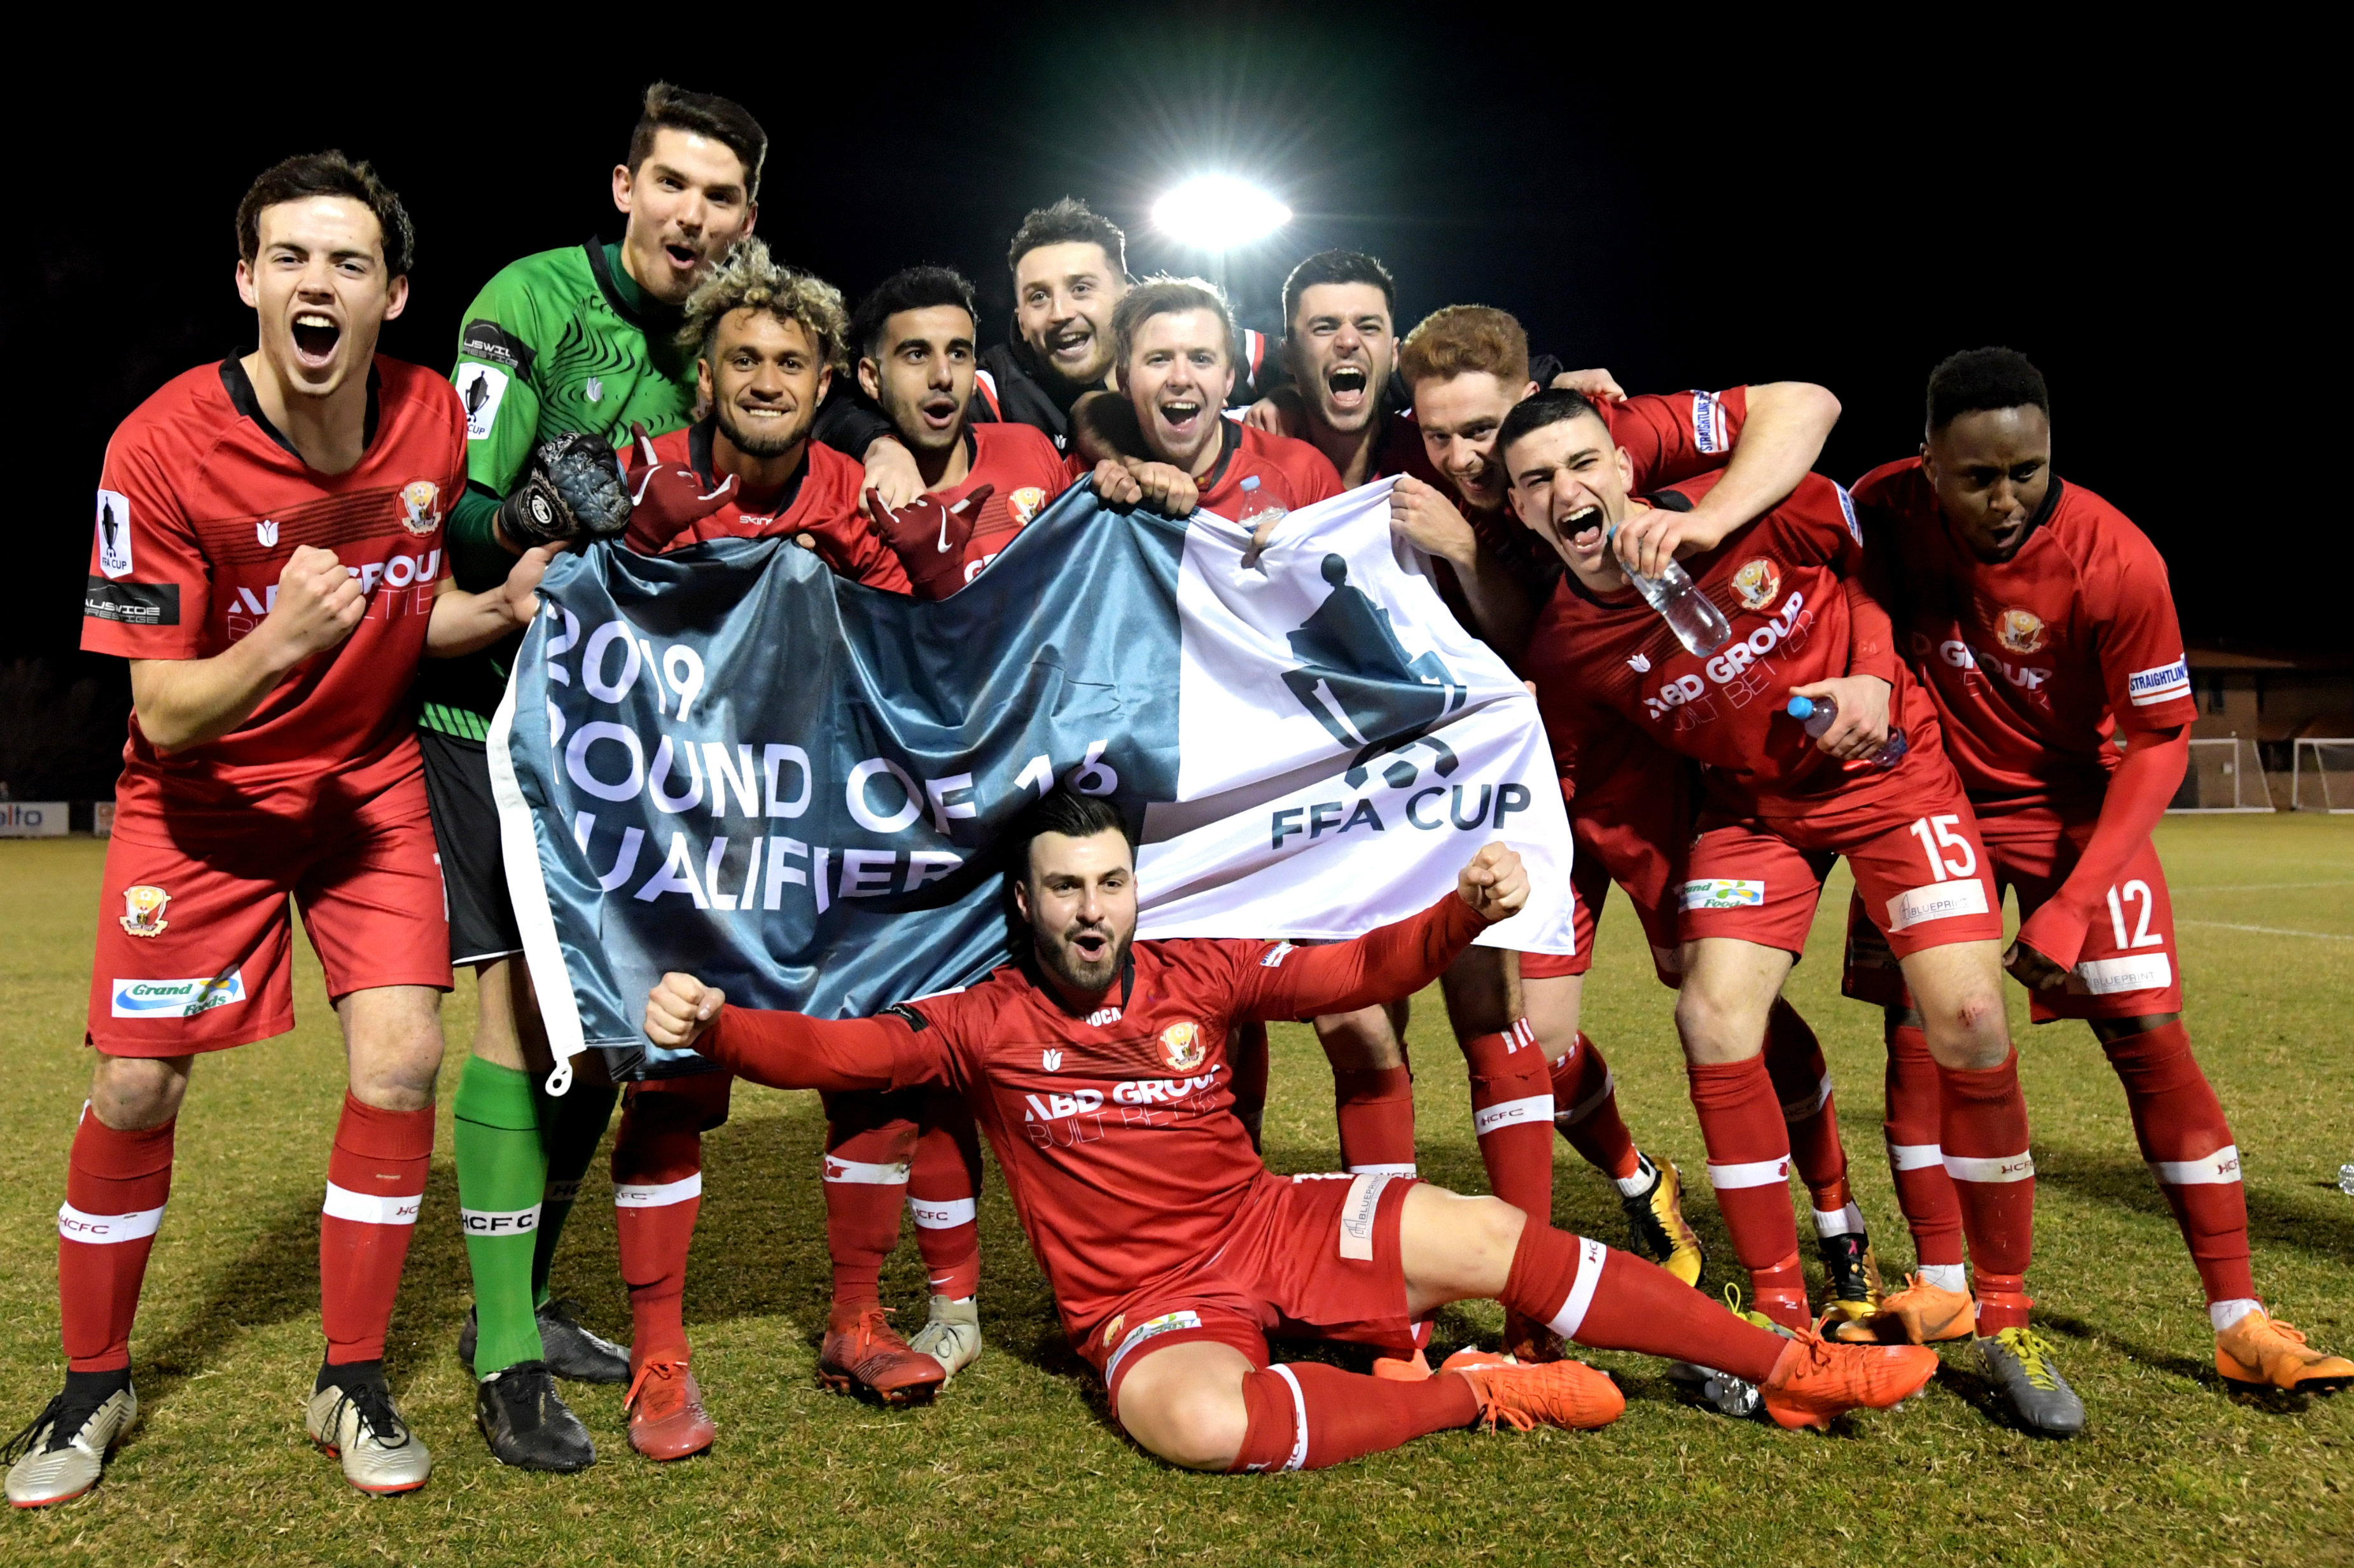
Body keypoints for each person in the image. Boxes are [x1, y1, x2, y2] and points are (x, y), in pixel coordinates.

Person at [645, 791, 1939, 1469]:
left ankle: (1784, 1363)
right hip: (1144, 1297)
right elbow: (843, 1050)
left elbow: (1353, 973)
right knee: (1195, 1426)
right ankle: (1467, 1393)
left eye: (1108, 880)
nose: (1090, 909)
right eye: (1062, 887)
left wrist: (1453, 917)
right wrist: (717, 1028)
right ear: (1023, 899)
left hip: (1265, 1224)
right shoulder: (981, 1020)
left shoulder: (1195, 969)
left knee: (1488, 1227)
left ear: (1134, 885)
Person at [3, 153, 561, 1508]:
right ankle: (92, 1383)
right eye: (294, 259)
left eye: (351, 264)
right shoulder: (158, 444)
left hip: (367, 786)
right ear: (249, 280)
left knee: (400, 1059)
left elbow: (401, 612)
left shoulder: (432, 421)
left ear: (394, 295)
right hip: (203, 802)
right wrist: (278, 643)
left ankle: (352, 1375)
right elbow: (165, 706)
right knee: (138, 1087)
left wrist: (493, 609)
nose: (321, 284)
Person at [1501, 387, 2082, 1435]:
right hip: (1753, 817)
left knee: (1970, 1020)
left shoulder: (1745, 505)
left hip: (1895, 775)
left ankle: (2005, 1319)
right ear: (1519, 510)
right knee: (1715, 1017)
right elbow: (1603, 791)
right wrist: (1655, 899)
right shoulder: (1565, 651)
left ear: (1622, 467)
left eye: (1582, 463)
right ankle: (1780, 1318)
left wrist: (1866, 673)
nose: (1567, 490)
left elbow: (1864, 563)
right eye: (1537, 480)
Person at [1314, 303, 1867, 1354]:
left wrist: (1694, 524)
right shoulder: (1407, 464)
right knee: (1547, 1038)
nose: (1459, 456)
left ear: (1532, 402)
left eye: (1480, 431)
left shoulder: (1607, 429)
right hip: (1526, 788)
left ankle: (1837, 1215)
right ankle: (1635, 1179)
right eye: (1437, 435)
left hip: (1647, 773)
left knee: (1712, 996)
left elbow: (1803, 405)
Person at [424, 82, 835, 1474]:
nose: (694, 217)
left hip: (637, 755)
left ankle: (528, 1293)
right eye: (674, 186)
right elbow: (456, 509)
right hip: (485, 714)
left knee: (599, 1034)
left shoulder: (725, 346)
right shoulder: (531, 300)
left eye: (722, 199)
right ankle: (500, 1356)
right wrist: (538, 505)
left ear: (749, 220)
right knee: (518, 1014)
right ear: (623, 186)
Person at [1841, 348, 2350, 1393]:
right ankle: (1944, 1278)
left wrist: (2074, 902)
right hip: (1933, 801)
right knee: (1921, 1038)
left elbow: (2162, 738)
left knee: (2150, 1040)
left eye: (2026, 470)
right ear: (1925, 460)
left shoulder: (2117, 559)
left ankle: (2240, 1315)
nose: (2004, 499)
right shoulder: (1879, 508)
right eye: (1977, 476)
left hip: (2077, 809)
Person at [851, 266, 1071, 597]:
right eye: (916, 354)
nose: (943, 375)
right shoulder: (856, 501)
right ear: (872, 378)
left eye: (957, 353)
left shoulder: (1029, 448)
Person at [979, 200, 1267, 451]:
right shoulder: (997, 387)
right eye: (1039, 297)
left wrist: (1285, 400)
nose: (1060, 314)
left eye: (1081, 289)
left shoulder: (1200, 346)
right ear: (1022, 322)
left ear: (1126, 300)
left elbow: (1299, 360)